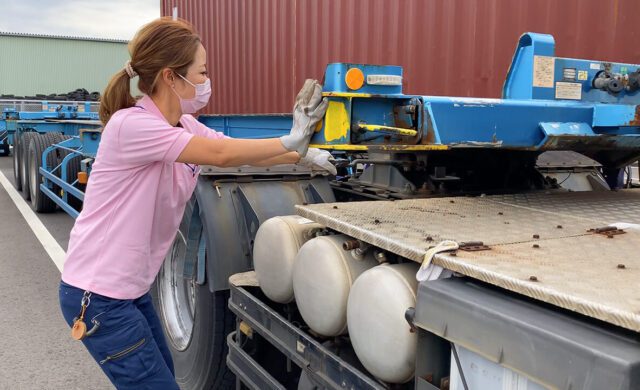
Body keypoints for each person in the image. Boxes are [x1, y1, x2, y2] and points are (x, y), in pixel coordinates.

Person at [58, 17, 332, 389]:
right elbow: (218, 153)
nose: (206, 81)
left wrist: (302, 154)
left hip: (129, 293)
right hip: (100, 297)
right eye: (201, 73)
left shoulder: (183, 125)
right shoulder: (132, 127)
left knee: (164, 378)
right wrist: (292, 142)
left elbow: (236, 153)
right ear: (171, 77)